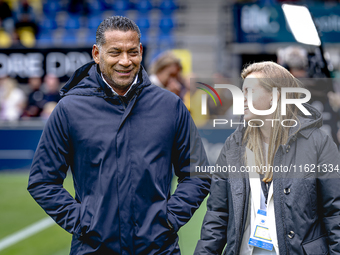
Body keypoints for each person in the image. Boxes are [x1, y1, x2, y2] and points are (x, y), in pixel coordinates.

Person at [28, 16, 210, 255]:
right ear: (96, 53)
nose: (125, 61)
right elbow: (42, 181)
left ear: (141, 52)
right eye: (115, 52)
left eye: (132, 52)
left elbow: (197, 174)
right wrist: (84, 222)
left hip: (158, 249)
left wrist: (168, 219)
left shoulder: (170, 106)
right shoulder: (70, 109)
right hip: (93, 249)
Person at [195, 61, 340, 254]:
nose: (242, 99)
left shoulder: (319, 143)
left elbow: (335, 214)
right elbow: (217, 216)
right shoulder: (233, 145)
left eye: (250, 92)